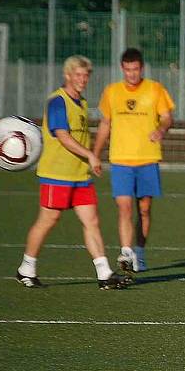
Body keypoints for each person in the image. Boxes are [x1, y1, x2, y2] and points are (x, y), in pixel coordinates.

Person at [16, 55, 126, 291]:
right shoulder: (58, 101)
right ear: (67, 75)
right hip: (57, 173)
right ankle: (26, 268)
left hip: (80, 176)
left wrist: (89, 161)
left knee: (92, 221)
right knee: (48, 220)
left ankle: (104, 273)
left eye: (86, 75)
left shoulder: (82, 102)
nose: (83, 79)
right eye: (78, 75)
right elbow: (63, 136)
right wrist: (90, 155)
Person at [92, 48, 175, 276]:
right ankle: (126, 252)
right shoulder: (112, 92)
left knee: (145, 210)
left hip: (147, 159)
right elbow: (105, 124)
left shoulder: (155, 89)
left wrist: (160, 129)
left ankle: (139, 251)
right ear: (122, 69)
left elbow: (168, 117)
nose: (131, 74)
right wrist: (95, 153)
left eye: (135, 69)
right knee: (124, 208)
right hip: (120, 160)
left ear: (142, 68)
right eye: (127, 70)